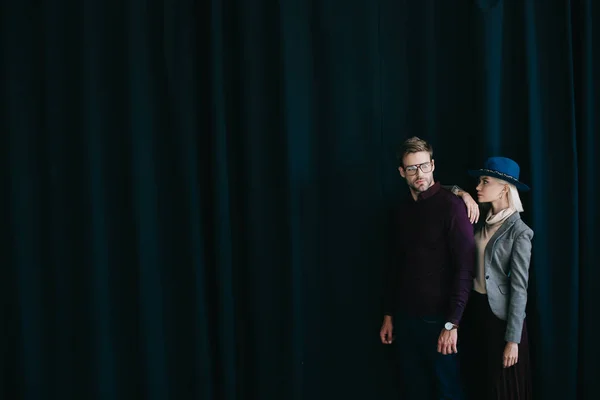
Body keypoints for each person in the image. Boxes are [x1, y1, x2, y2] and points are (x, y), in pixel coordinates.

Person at [380, 136, 475, 400]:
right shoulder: (400, 210)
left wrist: (452, 323)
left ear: (432, 165)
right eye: (411, 168)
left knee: (447, 390)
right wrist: (389, 314)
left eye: (423, 166)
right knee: (413, 389)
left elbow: (465, 269)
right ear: (402, 172)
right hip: (405, 318)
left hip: (440, 320)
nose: (419, 173)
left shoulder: (453, 207)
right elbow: (395, 265)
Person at [451, 157, 534, 400]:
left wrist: (513, 340)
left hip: (500, 320)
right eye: (479, 181)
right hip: (474, 312)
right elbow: (441, 189)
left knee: (502, 388)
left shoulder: (520, 232)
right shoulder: (478, 219)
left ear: (505, 188)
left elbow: (520, 289)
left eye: (485, 181)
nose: (478, 186)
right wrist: (462, 194)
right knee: (477, 380)